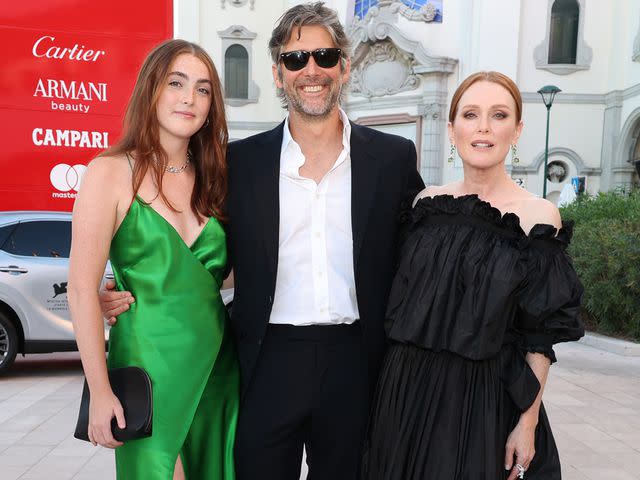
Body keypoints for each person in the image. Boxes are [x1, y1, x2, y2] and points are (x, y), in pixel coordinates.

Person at [101, 3, 424, 479]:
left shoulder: (393, 159)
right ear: (277, 73)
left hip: (356, 362)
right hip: (264, 360)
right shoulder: (240, 164)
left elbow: (421, 256)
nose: (310, 70)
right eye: (295, 60)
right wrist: (127, 285)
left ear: (345, 66)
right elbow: (202, 249)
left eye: (324, 56)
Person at [361, 71, 585, 480]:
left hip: (483, 401)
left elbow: (539, 336)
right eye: (470, 114)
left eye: (498, 115)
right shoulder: (424, 205)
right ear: (452, 129)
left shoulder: (538, 216)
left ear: (516, 130)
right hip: (405, 395)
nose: (483, 127)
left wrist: (528, 421)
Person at [69, 39, 238, 479]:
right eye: (176, 83)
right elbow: (82, 289)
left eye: (203, 89)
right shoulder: (109, 171)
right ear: (151, 90)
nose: (189, 98)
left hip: (218, 367)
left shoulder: (217, 179)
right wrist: (101, 390)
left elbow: (223, 276)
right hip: (148, 370)